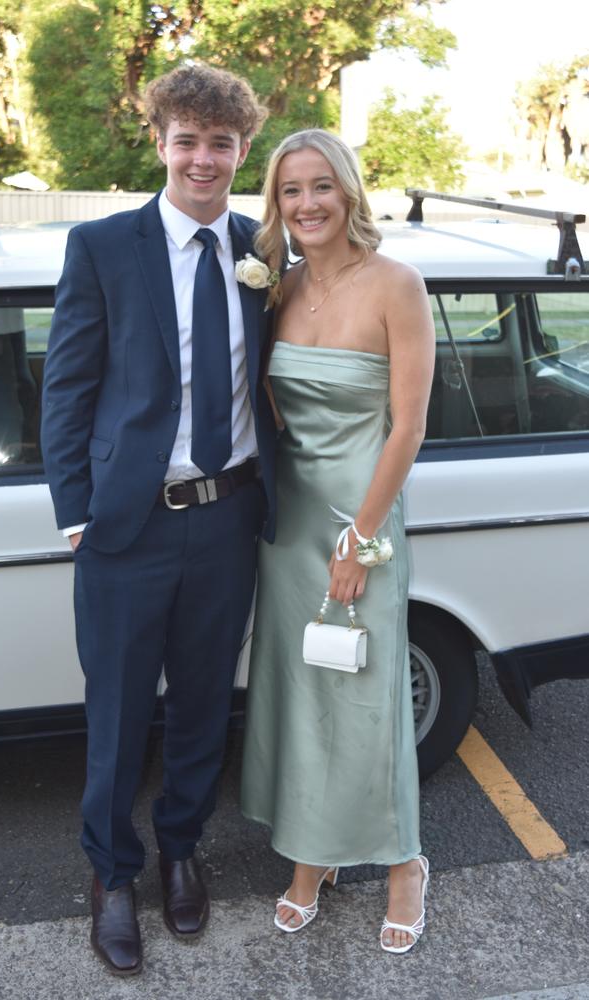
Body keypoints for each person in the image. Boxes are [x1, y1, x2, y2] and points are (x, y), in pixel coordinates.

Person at [41, 63, 277, 976]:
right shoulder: (102, 246)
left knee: (204, 710)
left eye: (221, 143)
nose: (204, 158)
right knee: (119, 713)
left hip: (229, 520)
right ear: (160, 142)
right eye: (187, 139)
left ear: (242, 148)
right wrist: (75, 516)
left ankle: (182, 850)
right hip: (124, 528)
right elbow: (65, 391)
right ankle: (111, 875)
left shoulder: (268, 250)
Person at [240, 129, 435, 954]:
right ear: (276, 205)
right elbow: (271, 412)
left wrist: (358, 539)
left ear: (348, 191)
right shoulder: (275, 291)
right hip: (289, 528)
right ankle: (312, 858)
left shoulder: (397, 284)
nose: (308, 204)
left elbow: (409, 428)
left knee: (367, 696)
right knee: (301, 694)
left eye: (322, 186)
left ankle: (401, 863)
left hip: (363, 525)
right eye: (291, 191)